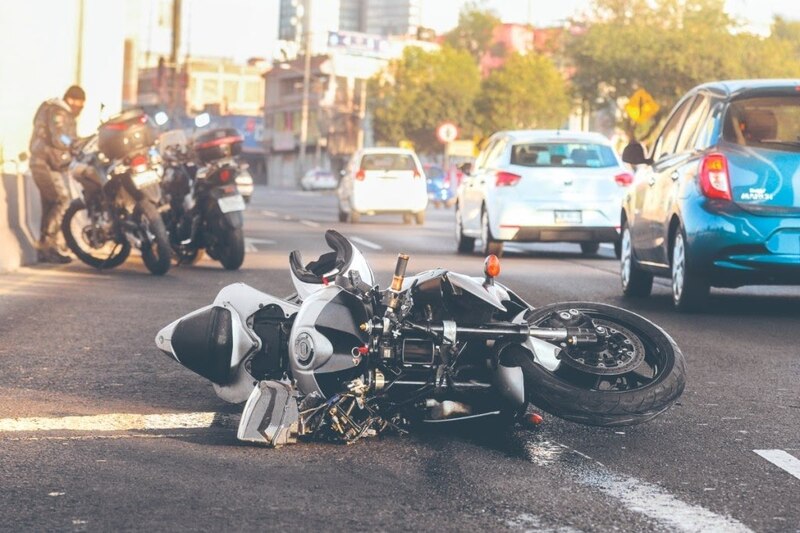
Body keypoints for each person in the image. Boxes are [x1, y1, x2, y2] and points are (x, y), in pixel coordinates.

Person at [28, 85, 86, 263]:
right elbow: (59, 137)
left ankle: (46, 247)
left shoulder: (55, 110)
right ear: (72, 100)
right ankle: (49, 246)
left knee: (51, 203)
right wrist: (75, 144)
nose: (80, 108)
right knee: (62, 200)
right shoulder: (58, 111)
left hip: (47, 162)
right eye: (80, 104)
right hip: (44, 162)